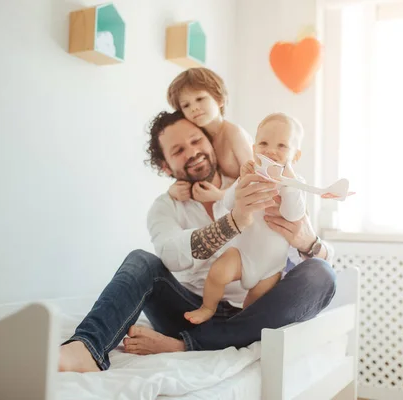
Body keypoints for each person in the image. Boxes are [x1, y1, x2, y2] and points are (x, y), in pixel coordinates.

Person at [58, 111, 336, 373]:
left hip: (254, 313)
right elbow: (171, 258)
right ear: (166, 165)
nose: (192, 152)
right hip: (188, 311)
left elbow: (324, 255)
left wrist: (307, 240)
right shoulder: (166, 207)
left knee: (323, 274)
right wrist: (234, 219)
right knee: (139, 260)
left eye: (196, 140)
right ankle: (87, 347)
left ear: (211, 143)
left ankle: (183, 346)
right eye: (178, 150)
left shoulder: (262, 181)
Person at [184, 112, 309, 324]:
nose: (271, 150)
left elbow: (294, 215)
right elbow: (227, 203)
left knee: (254, 305)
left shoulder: (296, 184)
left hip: (271, 266)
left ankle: (240, 324)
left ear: (295, 156)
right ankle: (207, 307)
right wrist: (241, 181)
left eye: (282, 146)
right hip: (242, 255)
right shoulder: (250, 178)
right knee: (217, 274)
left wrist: (289, 185)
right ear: (254, 149)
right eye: (264, 143)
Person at [166, 67, 252, 203]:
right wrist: (173, 190)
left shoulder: (234, 133)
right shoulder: (199, 140)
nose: (194, 107)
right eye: (186, 105)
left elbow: (256, 179)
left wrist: (221, 195)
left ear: (219, 99)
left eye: (200, 98)